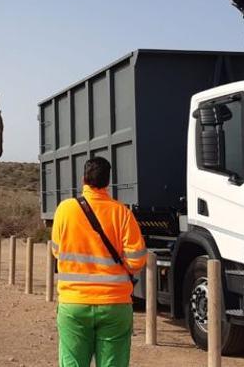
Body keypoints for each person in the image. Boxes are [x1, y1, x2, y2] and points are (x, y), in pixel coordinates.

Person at [51, 157, 147, 367]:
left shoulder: (64, 210)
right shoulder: (122, 213)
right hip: (115, 304)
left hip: (74, 303)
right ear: (107, 182)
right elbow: (137, 260)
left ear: (83, 179)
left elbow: (56, 251)